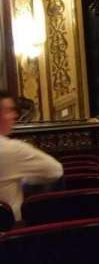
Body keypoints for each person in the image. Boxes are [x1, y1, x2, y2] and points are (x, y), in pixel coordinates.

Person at [0, 90, 63, 221]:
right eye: (9, 110)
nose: (15, 115)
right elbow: (55, 170)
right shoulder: (13, 149)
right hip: (10, 235)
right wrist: (23, 178)